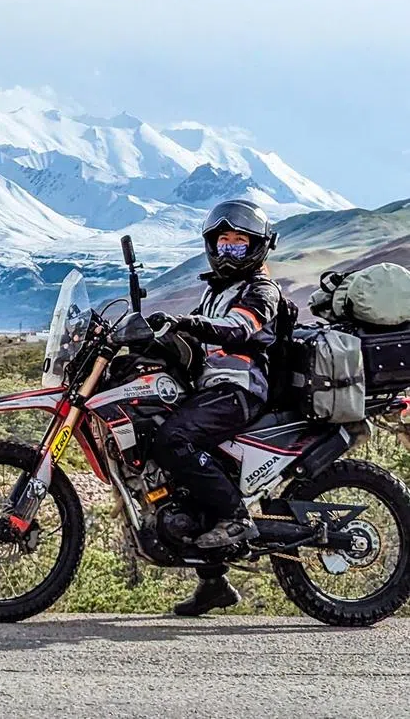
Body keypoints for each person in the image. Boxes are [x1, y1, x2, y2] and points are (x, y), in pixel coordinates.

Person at [147, 199, 281, 618]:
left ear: (256, 248)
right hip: (212, 389)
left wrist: (193, 323)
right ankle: (213, 583)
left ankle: (237, 517)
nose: (228, 251)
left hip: (240, 390)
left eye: (239, 244)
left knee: (176, 438)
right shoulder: (215, 291)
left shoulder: (261, 290)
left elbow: (242, 327)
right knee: (170, 457)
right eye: (223, 242)